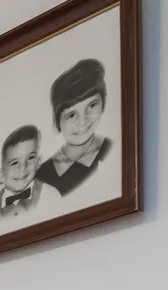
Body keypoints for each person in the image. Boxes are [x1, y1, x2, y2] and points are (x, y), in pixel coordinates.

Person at [36, 58, 113, 197]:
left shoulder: (113, 153)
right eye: (71, 115)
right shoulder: (39, 177)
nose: (83, 121)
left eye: (91, 105)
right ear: (56, 123)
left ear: (103, 103)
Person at [0, 125, 45, 220]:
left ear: (38, 162)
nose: (23, 168)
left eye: (30, 158)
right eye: (14, 163)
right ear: (1, 175)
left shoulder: (47, 194)